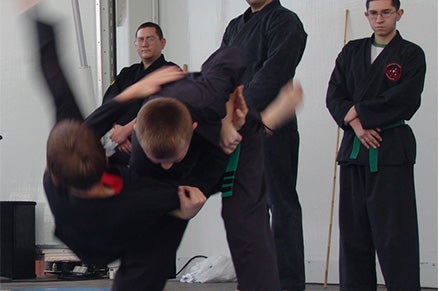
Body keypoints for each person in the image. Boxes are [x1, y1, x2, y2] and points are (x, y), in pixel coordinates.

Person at [325, 0, 426, 290]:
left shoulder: (410, 54)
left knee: (396, 235)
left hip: (391, 150)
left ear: (399, 14)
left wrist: (358, 112)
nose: (379, 19)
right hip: (354, 152)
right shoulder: (352, 51)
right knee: (354, 235)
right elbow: (334, 94)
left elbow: (405, 99)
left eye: (386, 12)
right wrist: (356, 125)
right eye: (373, 13)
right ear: (366, 15)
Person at [221, 1, 307, 290]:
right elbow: (222, 71)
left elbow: (276, 72)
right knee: (246, 206)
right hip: (238, 125)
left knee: (280, 203)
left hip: (272, 124)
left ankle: (288, 282)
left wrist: (244, 112)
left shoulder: (285, 22)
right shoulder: (235, 26)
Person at [102, 21, 177, 166]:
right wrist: (117, 129)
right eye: (140, 40)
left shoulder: (171, 72)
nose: (144, 44)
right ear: (135, 44)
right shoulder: (127, 73)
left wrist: (127, 130)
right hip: (119, 144)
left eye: (150, 39)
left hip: (151, 148)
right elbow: (109, 101)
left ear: (162, 43)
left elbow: (159, 109)